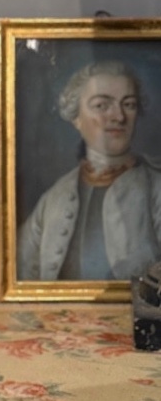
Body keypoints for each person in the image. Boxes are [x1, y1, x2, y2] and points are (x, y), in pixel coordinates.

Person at [17, 60, 161, 282]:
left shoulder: (155, 187)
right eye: (102, 105)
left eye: (129, 104)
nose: (119, 117)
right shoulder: (55, 198)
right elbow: (21, 276)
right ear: (76, 117)